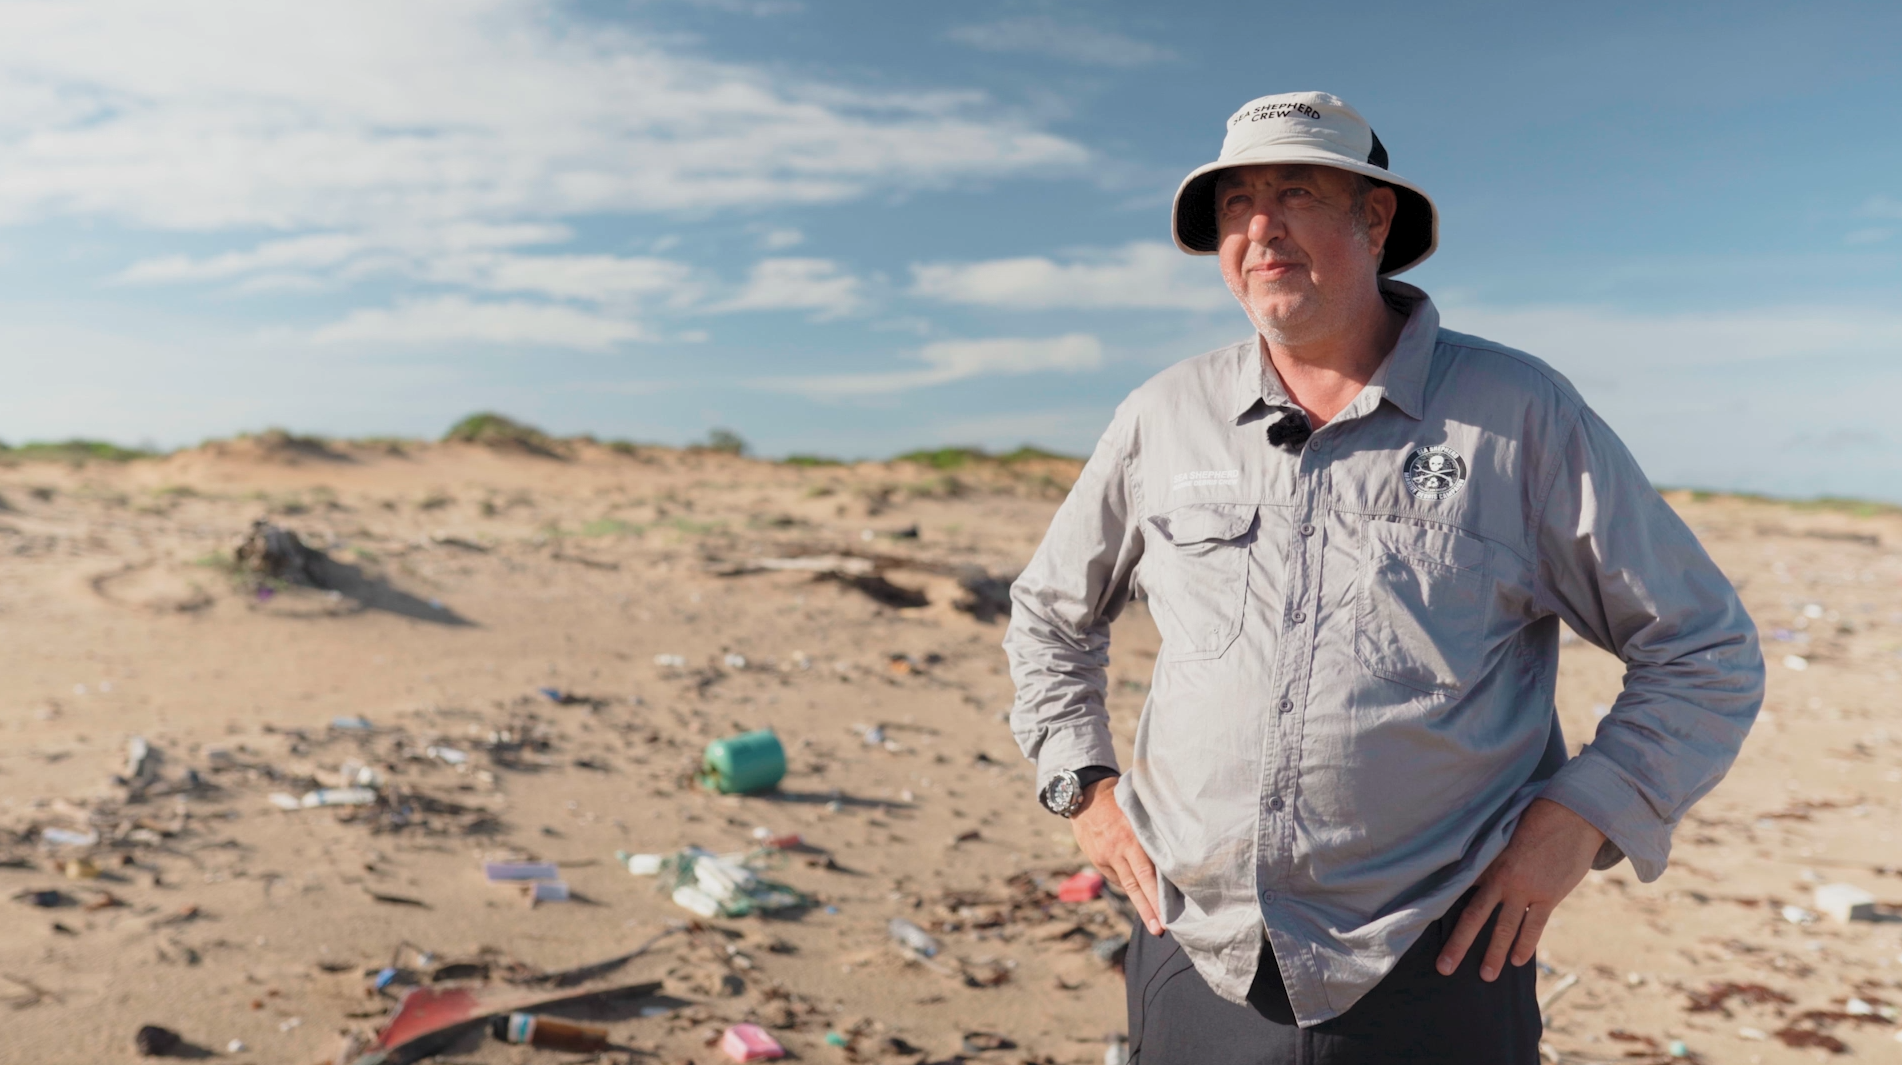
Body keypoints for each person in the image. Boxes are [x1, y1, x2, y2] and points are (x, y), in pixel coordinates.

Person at [1002, 91, 1763, 1064]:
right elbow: (1050, 616)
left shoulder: (1519, 413)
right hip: (1195, 938)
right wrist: (1082, 786)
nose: (1260, 227)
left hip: (1440, 946)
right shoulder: (1163, 414)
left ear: (1375, 218)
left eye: (1294, 193)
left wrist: (1581, 817)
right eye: (1235, 203)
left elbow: (1702, 646)